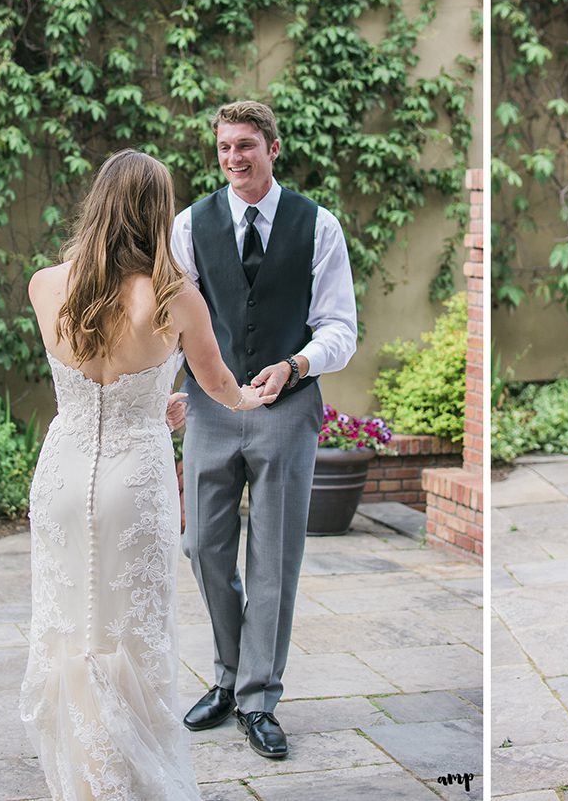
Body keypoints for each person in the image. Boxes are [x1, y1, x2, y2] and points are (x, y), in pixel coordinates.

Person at [20, 149, 271, 800]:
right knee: (134, 628)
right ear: (159, 213)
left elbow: (94, 381)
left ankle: (81, 777)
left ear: (98, 204)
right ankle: (131, 780)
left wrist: (136, 398)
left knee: (71, 620)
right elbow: (217, 383)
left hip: (64, 476)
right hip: (136, 479)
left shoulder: (46, 285)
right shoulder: (175, 297)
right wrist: (250, 398)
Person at [171, 100, 357, 760]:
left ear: (273, 149)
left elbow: (341, 327)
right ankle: (227, 673)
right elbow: (176, 322)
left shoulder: (319, 225)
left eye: (246, 145)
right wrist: (171, 386)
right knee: (202, 547)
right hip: (211, 410)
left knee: (275, 558)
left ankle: (256, 696)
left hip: (286, 408)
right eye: (223, 147)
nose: (232, 158)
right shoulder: (189, 224)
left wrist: (295, 363)